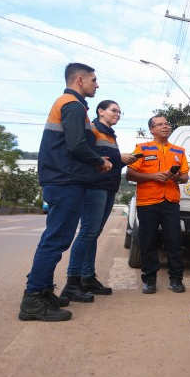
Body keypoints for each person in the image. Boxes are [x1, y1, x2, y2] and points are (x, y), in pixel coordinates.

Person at [19, 63, 112, 322]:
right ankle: (34, 298)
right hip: (64, 180)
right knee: (56, 240)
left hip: (64, 179)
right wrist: (100, 161)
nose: (97, 84)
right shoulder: (72, 105)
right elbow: (77, 145)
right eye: (94, 79)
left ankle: (43, 291)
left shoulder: (71, 104)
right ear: (80, 80)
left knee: (56, 239)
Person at [61, 100, 137, 302]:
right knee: (87, 232)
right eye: (114, 110)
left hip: (108, 186)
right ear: (100, 111)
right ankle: (72, 282)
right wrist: (119, 156)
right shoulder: (93, 128)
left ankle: (87, 278)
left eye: (120, 112)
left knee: (93, 234)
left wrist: (121, 159)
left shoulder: (111, 134)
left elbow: (109, 160)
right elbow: (90, 154)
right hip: (94, 186)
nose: (117, 114)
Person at [126, 116, 189, 294]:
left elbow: (185, 177)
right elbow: (130, 174)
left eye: (167, 124)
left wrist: (175, 176)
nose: (165, 127)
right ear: (152, 130)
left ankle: (176, 279)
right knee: (148, 241)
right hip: (148, 201)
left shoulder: (179, 151)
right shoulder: (142, 149)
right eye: (160, 124)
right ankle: (149, 279)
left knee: (175, 241)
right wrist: (153, 176)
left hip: (170, 202)